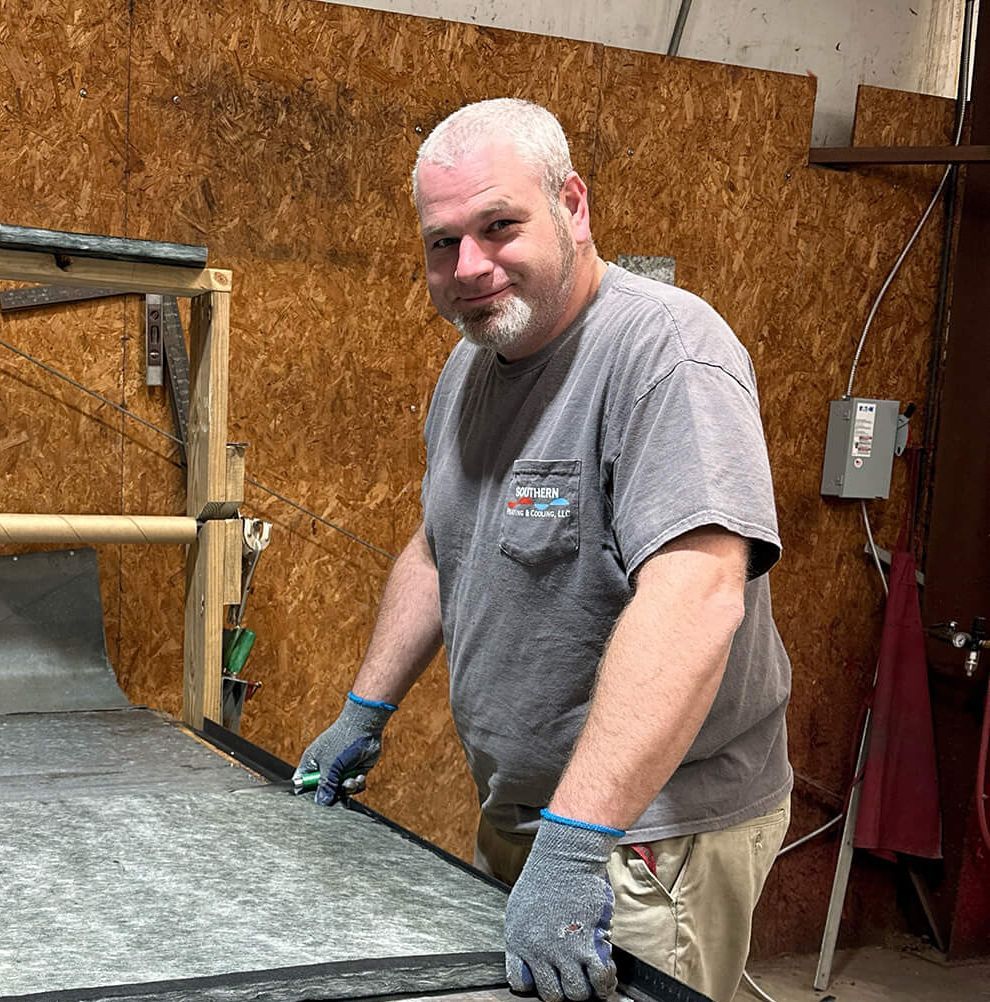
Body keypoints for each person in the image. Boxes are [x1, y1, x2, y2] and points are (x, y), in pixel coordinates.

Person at [295, 98, 792, 1002]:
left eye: (499, 226)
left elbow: (696, 596)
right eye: (442, 242)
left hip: (643, 839)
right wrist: (364, 710)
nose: (468, 266)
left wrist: (575, 846)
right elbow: (439, 546)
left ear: (573, 206)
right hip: (527, 818)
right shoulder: (472, 366)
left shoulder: (666, 354)